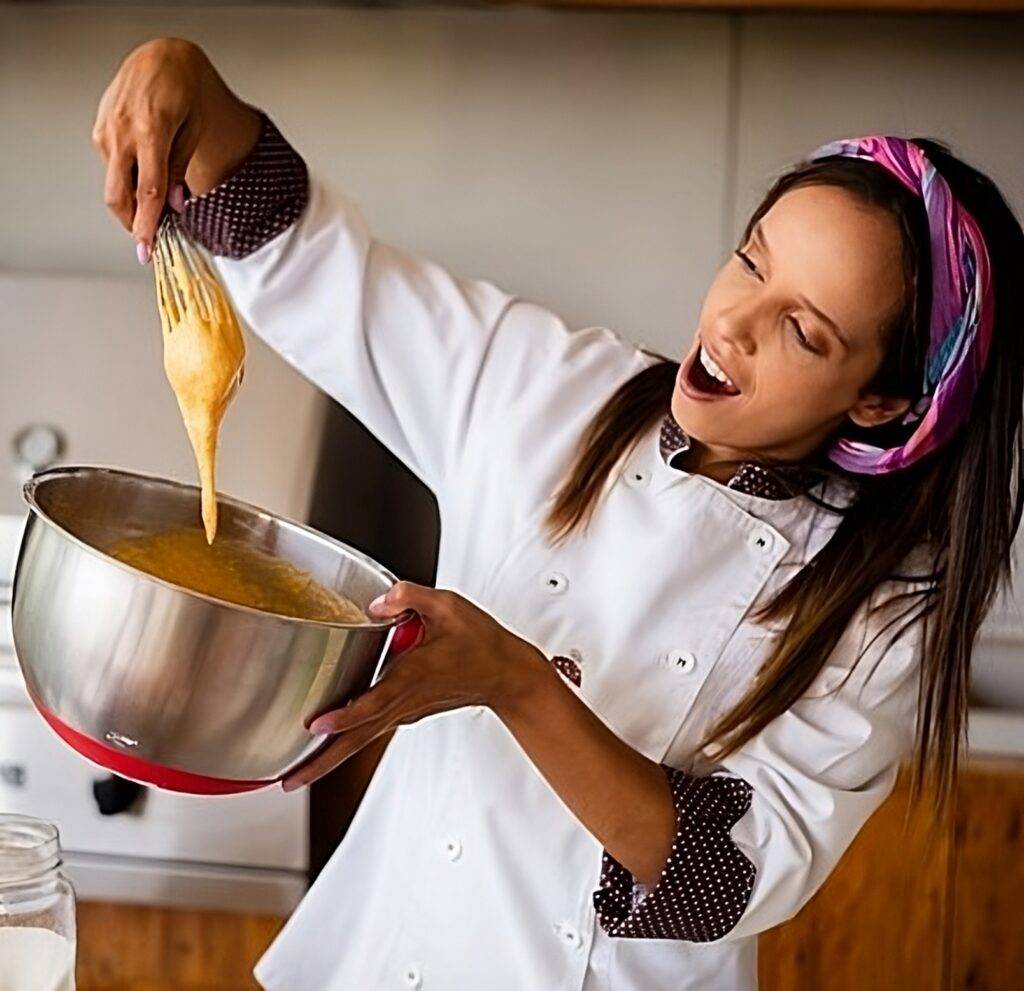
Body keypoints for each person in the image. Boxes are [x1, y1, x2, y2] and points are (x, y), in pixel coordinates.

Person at [92, 38, 1024, 991]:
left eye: (803, 330)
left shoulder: (880, 611)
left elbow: (727, 877)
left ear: (880, 402)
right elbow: (326, 277)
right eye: (752, 261)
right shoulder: (554, 389)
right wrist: (191, 92)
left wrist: (517, 682)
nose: (736, 320)